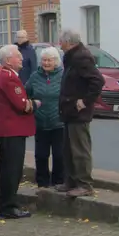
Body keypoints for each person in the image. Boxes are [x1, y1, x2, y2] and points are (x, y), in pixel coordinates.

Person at [57, 30, 105, 197]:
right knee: (68, 148)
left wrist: (85, 101)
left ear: (69, 42)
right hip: (69, 110)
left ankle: (84, 184)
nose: (59, 44)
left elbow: (97, 80)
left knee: (79, 149)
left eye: (61, 41)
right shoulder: (72, 57)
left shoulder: (81, 57)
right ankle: (70, 181)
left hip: (79, 112)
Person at [0, 44, 35, 219]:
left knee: (8, 168)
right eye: (18, 56)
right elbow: (21, 104)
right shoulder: (9, 77)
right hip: (12, 130)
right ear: (9, 60)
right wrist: (34, 104)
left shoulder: (8, 76)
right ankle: (9, 206)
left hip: (9, 130)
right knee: (12, 170)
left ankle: (6, 203)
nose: (22, 58)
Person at [26, 45, 70, 190]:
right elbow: (26, 93)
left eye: (49, 60)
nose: (46, 63)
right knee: (41, 155)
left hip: (59, 122)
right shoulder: (35, 76)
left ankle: (58, 182)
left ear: (56, 61)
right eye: (44, 60)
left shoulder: (63, 76)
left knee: (59, 155)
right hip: (40, 123)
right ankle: (42, 183)